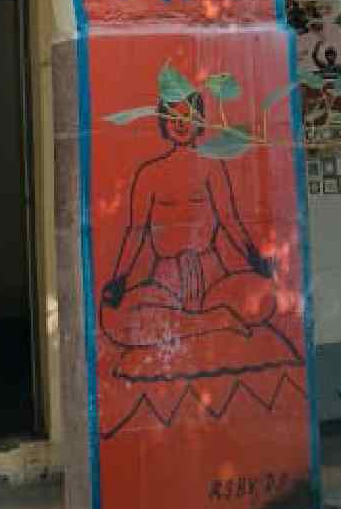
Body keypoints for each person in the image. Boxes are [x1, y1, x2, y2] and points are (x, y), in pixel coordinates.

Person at [100, 92, 279, 352]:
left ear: (200, 121)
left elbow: (229, 220)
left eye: (188, 116)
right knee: (113, 319)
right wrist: (120, 279)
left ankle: (189, 324)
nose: (181, 124)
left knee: (267, 297)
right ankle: (216, 321)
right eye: (173, 117)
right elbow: (136, 233)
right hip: (165, 281)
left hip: (212, 275)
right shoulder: (150, 174)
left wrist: (254, 258)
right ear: (163, 123)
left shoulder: (212, 166)